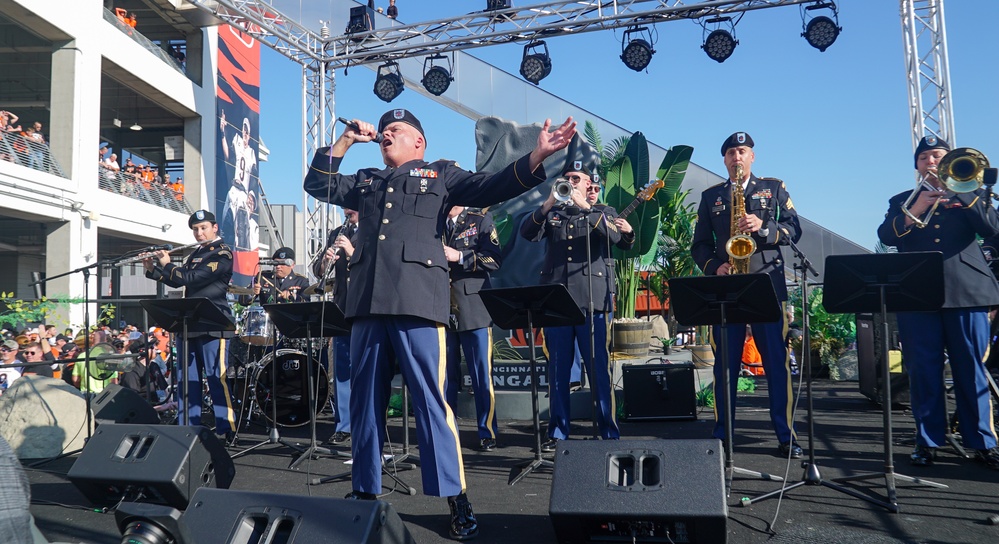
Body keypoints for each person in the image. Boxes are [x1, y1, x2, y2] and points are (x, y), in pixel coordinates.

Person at [304, 108, 575, 541]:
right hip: (368, 304)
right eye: (384, 130)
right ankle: (365, 490)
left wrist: (537, 156)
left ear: (419, 142)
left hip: (417, 300)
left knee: (432, 402)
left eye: (398, 130)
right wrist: (345, 143)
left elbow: (494, 185)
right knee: (364, 404)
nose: (387, 133)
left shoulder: (440, 173)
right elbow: (318, 184)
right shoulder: (368, 179)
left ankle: (456, 497)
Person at [877, 136, 999, 469]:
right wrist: (914, 210)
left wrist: (964, 194)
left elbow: (991, 229)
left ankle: (982, 442)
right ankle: (928, 440)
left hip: (967, 292)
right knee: (923, 372)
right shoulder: (901, 200)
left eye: (938, 156)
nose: (932, 161)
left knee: (971, 370)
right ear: (917, 165)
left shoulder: (973, 194)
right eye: (925, 157)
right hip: (917, 295)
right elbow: (886, 236)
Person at [691, 132, 802, 458]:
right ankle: (723, 437)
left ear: (752, 156)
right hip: (728, 290)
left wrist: (765, 228)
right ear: (724, 160)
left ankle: (786, 436)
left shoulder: (774, 188)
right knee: (724, 366)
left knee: (776, 366)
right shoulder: (711, 196)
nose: (736, 157)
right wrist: (714, 267)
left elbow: (794, 228)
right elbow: (699, 245)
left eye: (742, 152)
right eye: (730, 153)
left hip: (768, 286)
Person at [520, 164, 634, 452]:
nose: (570, 183)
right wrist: (548, 203)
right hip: (557, 302)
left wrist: (586, 207)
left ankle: (608, 430)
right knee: (557, 369)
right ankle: (558, 431)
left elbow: (616, 239)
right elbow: (527, 233)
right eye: (567, 179)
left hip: (592, 301)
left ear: (589, 185)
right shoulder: (554, 213)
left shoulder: (603, 212)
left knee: (598, 369)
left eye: (576, 179)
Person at [143, 210, 237, 439]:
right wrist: (152, 270)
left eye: (203, 227)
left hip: (214, 322)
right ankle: (188, 429)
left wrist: (166, 263)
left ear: (215, 227)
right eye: (195, 229)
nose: (199, 232)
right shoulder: (195, 253)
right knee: (187, 380)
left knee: (217, 378)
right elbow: (179, 278)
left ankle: (227, 430)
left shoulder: (223, 253)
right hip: (190, 322)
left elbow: (191, 279)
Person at [443, 206, 502, 452]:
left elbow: (494, 259)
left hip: (473, 308)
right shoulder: (433, 220)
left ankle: (487, 431)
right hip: (441, 308)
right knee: (445, 377)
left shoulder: (480, 220)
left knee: (480, 375)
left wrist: (460, 257)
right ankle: (447, 431)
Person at [313, 208, 359, 447]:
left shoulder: (375, 228)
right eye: (344, 207)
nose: (346, 211)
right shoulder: (337, 233)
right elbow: (316, 271)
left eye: (350, 206)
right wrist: (325, 262)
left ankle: (367, 421)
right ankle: (344, 425)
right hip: (341, 306)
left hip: (365, 306)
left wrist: (352, 252)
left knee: (366, 367)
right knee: (341, 368)